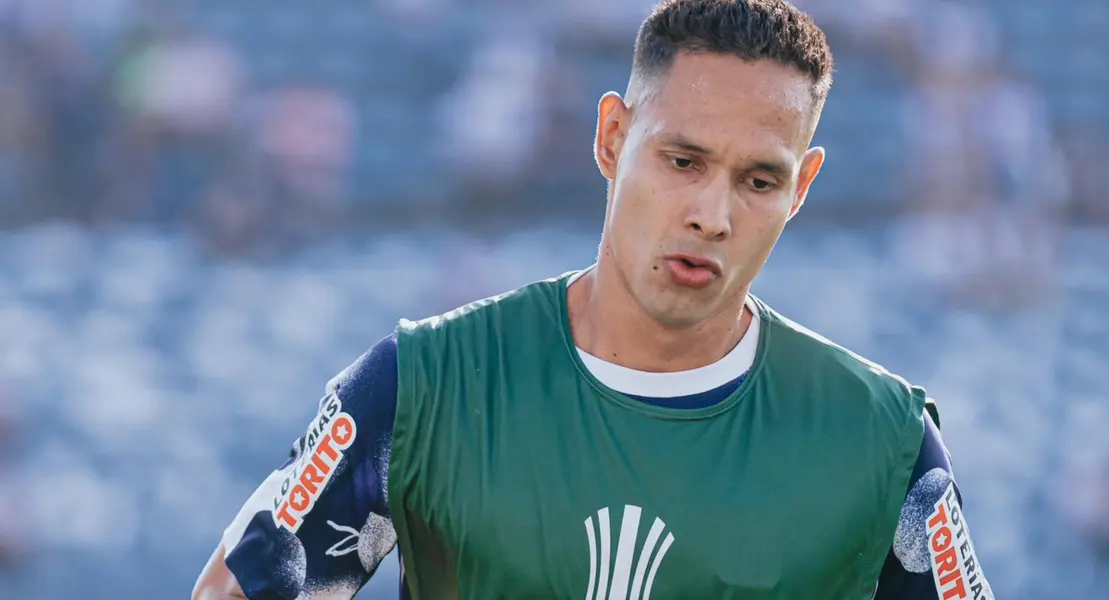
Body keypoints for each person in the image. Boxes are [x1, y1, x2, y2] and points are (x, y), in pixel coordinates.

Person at [193, 1, 994, 598]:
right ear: (613, 136)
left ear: (802, 188)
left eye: (759, 180)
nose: (711, 215)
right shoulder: (425, 386)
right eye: (682, 161)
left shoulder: (881, 443)